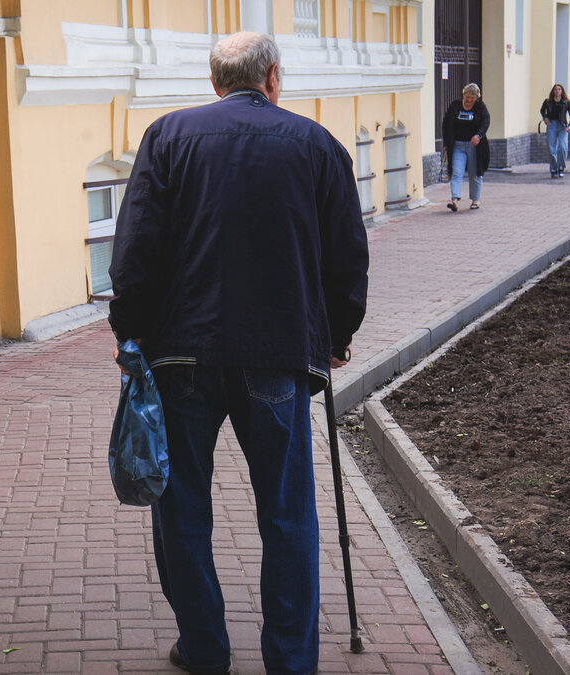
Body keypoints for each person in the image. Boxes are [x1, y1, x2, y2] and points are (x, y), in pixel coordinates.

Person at [107, 31, 369, 675]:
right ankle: (290, 660)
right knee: (287, 514)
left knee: (182, 509)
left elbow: (134, 247)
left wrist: (130, 332)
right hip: (278, 352)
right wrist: (337, 334)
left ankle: (203, 649)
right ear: (273, 77)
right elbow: (346, 255)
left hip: (182, 354)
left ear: (215, 82)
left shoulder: (168, 137)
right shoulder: (318, 144)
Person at [442, 83, 491, 211]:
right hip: (457, 145)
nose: (469, 100)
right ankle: (454, 199)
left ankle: (475, 200)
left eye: (472, 98)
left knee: (474, 173)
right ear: (463, 95)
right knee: (457, 171)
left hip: (474, 146)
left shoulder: (480, 108)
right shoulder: (455, 106)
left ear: (476, 98)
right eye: (467, 97)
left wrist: (478, 135)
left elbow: (485, 122)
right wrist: (446, 143)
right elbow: (446, 124)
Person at [540, 84, 570, 178]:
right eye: (555, 89)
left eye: (559, 89)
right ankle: (553, 169)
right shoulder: (548, 102)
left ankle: (561, 167)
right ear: (553, 91)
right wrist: (545, 118)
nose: (557, 91)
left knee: (563, 147)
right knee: (552, 148)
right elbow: (542, 111)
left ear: (562, 91)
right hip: (551, 125)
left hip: (562, 126)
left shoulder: (566, 102)